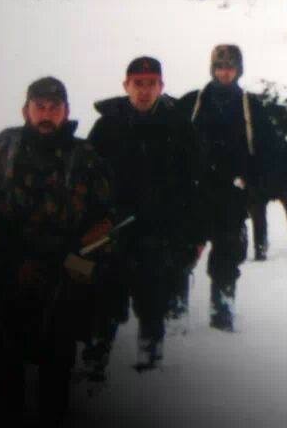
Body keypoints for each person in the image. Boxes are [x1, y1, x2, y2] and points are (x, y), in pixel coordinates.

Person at [0, 77, 115, 424]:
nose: (46, 114)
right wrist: (13, 263)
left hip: (64, 275)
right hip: (12, 274)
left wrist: (85, 256)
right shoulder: (4, 154)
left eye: (54, 107)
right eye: (40, 107)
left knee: (57, 370)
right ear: (26, 110)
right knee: (5, 370)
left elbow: (106, 218)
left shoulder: (87, 158)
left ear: (66, 112)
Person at [86, 57, 201, 370]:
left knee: (152, 305)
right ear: (126, 86)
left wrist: (193, 235)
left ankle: (150, 366)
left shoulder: (179, 125)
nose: (145, 91)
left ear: (161, 87)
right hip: (113, 232)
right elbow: (85, 180)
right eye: (139, 83)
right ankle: (94, 368)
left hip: (159, 234)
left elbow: (194, 184)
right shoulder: (107, 125)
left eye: (152, 84)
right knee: (103, 305)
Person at [178, 45, 265, 331]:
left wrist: (250, 182)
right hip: (196, 193)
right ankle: (175, 313)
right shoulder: (194, 102)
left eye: (231, 67)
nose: (225, 72)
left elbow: (263, 150)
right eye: (220, 66)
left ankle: (222, 312)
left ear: (239, 70)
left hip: (232, 195)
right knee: (182, 254)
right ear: (212, 69)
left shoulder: (250, 105)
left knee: (228, 256)